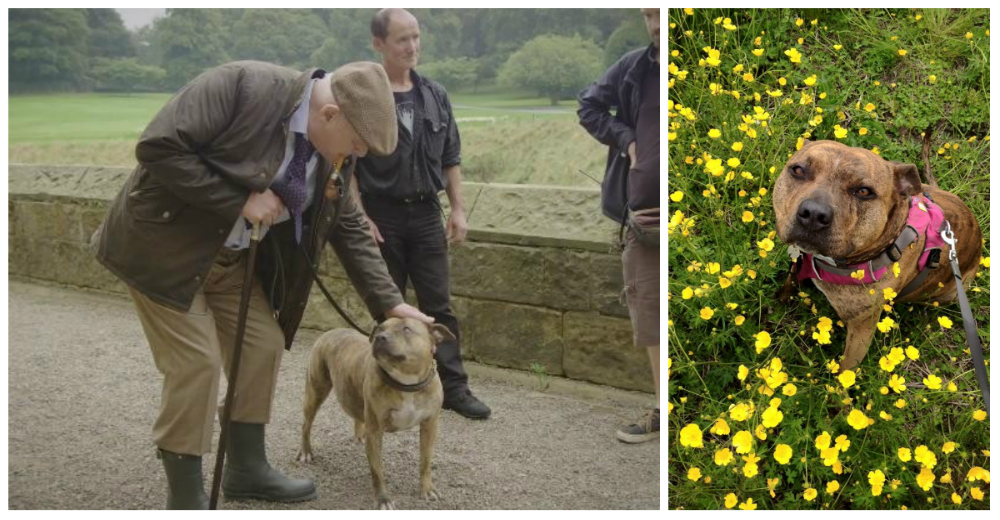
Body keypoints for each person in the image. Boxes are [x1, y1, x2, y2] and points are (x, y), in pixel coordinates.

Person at [91, 60, 431, 509]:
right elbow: (158, 148)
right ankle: (186, 492)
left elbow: (346, 222)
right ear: (329, 114)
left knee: (262, 343)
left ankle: (245, 469)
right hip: (165, 253)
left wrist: (391, 303)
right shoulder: (239, 85)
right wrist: (238, 199)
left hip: (233, 262)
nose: (358, 155)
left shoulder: (333, 152)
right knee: (197, 364)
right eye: (357, 144)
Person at [351, 8, 491, 420]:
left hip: (427, 214)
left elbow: (451, 159)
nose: (412, 47)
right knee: (387, 310)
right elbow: (349, 166)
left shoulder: (435, 94)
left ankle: (453, 389)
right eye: (401, 39)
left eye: (415, 37)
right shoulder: (365, 96)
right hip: (381, 216)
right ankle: (381, 388)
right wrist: (362, 218)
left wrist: (458, 209)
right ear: (379, 44)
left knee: (439, 307)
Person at [577, 8, 660, 443]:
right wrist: (624, 137)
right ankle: (663, 410)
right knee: (649, 313)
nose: (658, 23)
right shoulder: (632, 67)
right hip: (643, 220)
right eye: (650, 14)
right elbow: (588, 107)